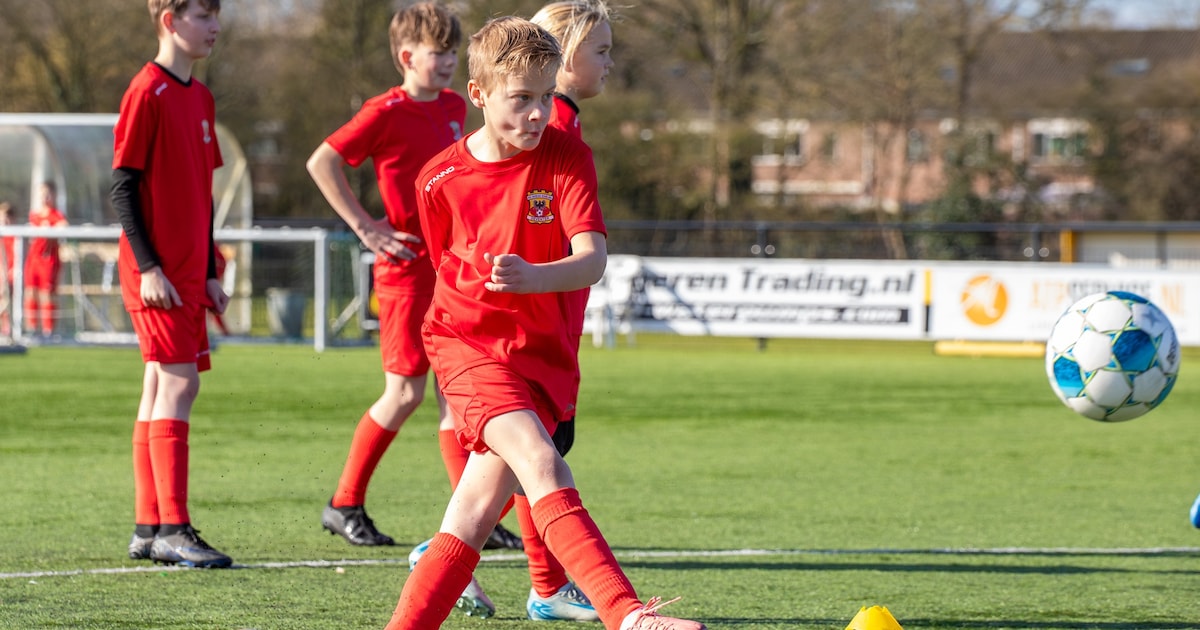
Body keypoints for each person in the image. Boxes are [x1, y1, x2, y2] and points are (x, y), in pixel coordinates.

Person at [386, 16, 704, 630]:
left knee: (474, 512)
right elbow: (444, 262)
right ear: (478, 96)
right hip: (466, 345)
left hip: (543, 357)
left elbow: (592, 261)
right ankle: (628, 615)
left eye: (543, 96)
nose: (537, 113)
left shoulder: (566, 154)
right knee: (541, 461)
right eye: (521, 100)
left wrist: (535, 276)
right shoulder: (439, 178)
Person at [306, 1, 522, 565]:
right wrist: (365, 227)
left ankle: (471, 517)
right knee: (405, 392)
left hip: (453, 269)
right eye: (438, 52)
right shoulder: (384, 110)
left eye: (454, 50)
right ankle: (344, 502)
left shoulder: (457, 105)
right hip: (403, 269)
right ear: (407, 56)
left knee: (459, 397)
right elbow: (322, 162)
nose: (449, 61)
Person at [110, 0, 231, 568]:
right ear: (169, 21)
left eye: (215, 14)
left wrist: (209, 270)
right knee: (179, 386)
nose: (214, 25)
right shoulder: (145, 92)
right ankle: (174, 528)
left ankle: (148, 526)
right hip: (155, 273)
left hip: (187, 273)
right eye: (202, 14)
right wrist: (149, 266)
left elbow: (201, 198)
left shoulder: (201, 98)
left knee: (160, 386)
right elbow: (124, 187)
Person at [24, 181, 68, 337]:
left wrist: (50, 228)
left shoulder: (56, 215)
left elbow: (64, 225)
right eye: (42, 194)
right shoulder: (34, 215)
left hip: (48, 261)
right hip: (33, 260)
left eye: (48, 193)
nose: (45, 197)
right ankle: (31, 328)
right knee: (30, 292)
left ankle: (48, 330)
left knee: (47, 293)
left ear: (54, 195)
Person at [0, 202, 15, 337]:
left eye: (8, 216)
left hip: (9, 278)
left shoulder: (16, 237)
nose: (5, 219)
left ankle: (8, 331)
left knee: (8, 303)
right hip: (1, 277)